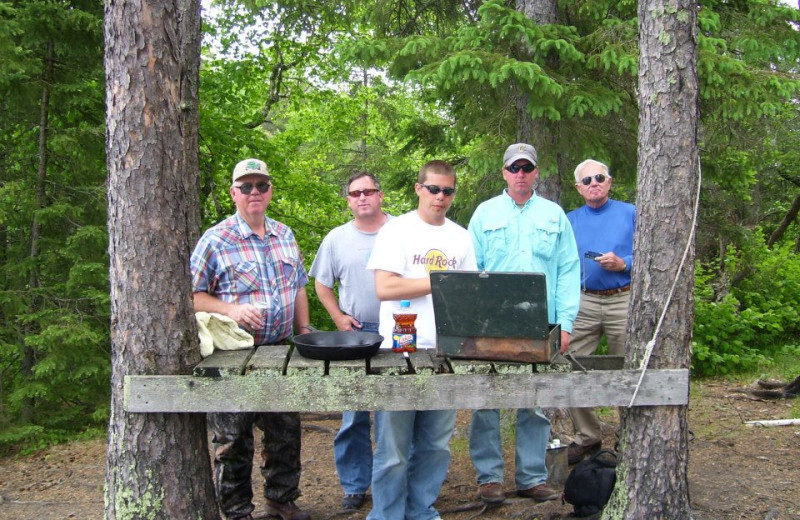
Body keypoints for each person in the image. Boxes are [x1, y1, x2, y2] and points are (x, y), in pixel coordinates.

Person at [190, 158, 312, 520]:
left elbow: (299, 288)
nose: (254, 192)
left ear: (270, 191)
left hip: (279, 351)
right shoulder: (215, 239)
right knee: (232, 439)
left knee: (285, 430)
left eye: (260, 185)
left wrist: (304, 331)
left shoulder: (284, 234)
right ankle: (237, 511)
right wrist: (231, 310)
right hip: (231, 355)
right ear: (234, 193)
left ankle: (281, 498)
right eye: (246, 186)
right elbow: (191, 294)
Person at [467, 143, 580, 504]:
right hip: (492, 323)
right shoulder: (484, 214)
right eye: (514, 168)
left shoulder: (553, 214)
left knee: (533, 400)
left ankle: (531, 477)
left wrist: (565, 323)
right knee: (486, 400)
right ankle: (489, 479)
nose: (520, 174)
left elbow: (567, 270)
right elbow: (472, 269)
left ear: (536, 173)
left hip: (539, 321)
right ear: (503, 172)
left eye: (526, 168)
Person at [365, 160, 477, 520]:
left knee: (435, 444)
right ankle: (386, 514)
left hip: (445, 351)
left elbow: (468, 293)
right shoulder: (396, 231)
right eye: (433, 189)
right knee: (393, 447)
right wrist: (440, 282)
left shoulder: (460, 236)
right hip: (399, 351)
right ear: (419, 189)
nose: (440, 197)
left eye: (447, 191)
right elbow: (385, 287)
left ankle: (421, 510)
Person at [309, 171, 391, 511]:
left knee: (394, 414)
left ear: (380, 195)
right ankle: (355, 487)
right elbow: (321, 284)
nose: (362, 198)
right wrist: (339, 318)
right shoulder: (336, 238)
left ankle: (392, 485)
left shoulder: (401, 230)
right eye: (355, 193)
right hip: (354, 333)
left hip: (397, 331)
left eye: (369, 191)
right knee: (354, 414)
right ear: (348, 200)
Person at [565, 159, 635, 465]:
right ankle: (588, 436)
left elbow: (654, 249)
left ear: (610, 181)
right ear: (578, 188)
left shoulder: (631, 213)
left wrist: (624, 263)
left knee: (630, 367)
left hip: (623, 297)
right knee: (571, 364)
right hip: (584, 301)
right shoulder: (569, 220)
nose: (594, 183)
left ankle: (631, 435)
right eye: (587, 180)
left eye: (599, 177)